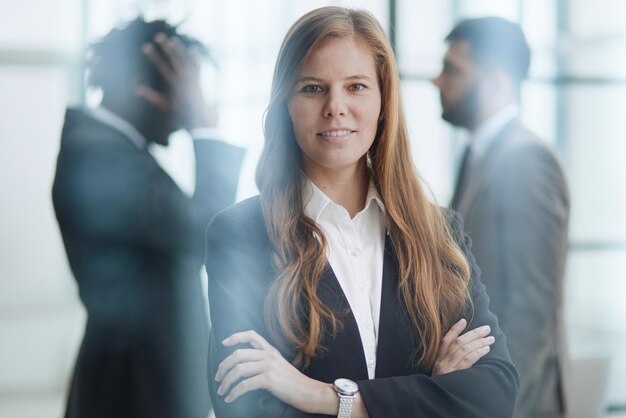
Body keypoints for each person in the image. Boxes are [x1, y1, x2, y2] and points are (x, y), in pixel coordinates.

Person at [205, 7, 518, 418]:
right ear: (286, 105)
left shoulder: (439, 232)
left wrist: (323, 397)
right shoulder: (241, 235)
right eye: (313, 88)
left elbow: (494, 394)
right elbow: (244, 406)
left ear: (384, 101)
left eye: (356, 87)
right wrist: (432, 392)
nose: (336, 106)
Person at [52, 17, 244, 418]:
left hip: (140, 385)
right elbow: (204, 234)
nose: (188, 107)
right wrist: (205, 128)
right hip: (134, 390)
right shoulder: (100, 157)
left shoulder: (113, 151)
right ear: (145, 86)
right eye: (185, 89)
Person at [433, 17, 570, 418]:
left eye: (453, 70)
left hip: (514, 401)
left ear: (495, 83)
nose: (438, 82)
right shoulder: (477, 155)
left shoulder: (527, 161)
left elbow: (532, 307)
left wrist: (503, 408)